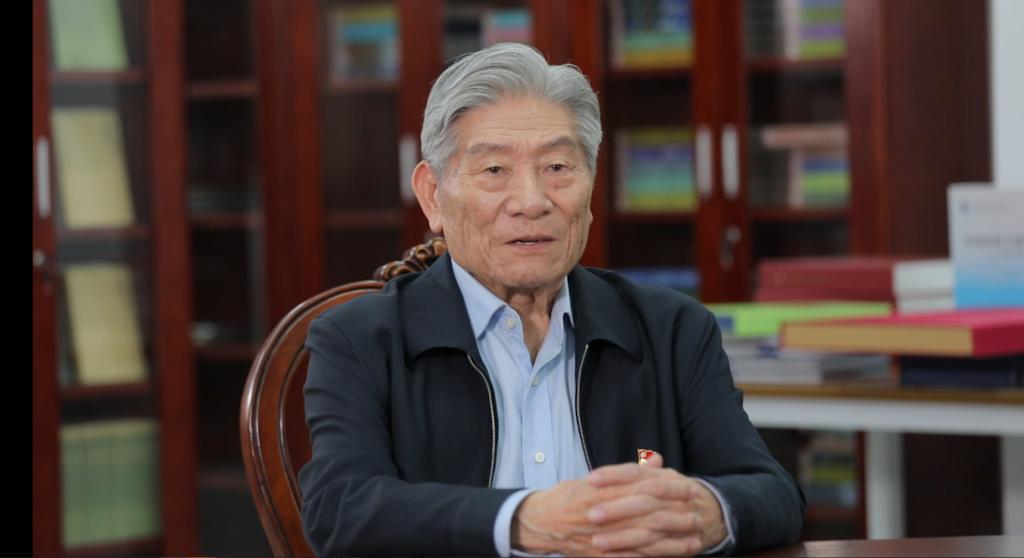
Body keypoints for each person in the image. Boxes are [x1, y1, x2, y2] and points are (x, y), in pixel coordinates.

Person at [299, 42, 804, 557]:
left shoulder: (671, 328)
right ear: (433, 195)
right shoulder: (360, 339)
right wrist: (522, 521)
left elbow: (772, 492)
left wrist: (703, 511)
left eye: (558, 167)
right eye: (494, 170)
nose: (532, 202)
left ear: (591, 188)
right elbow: (340, 508)